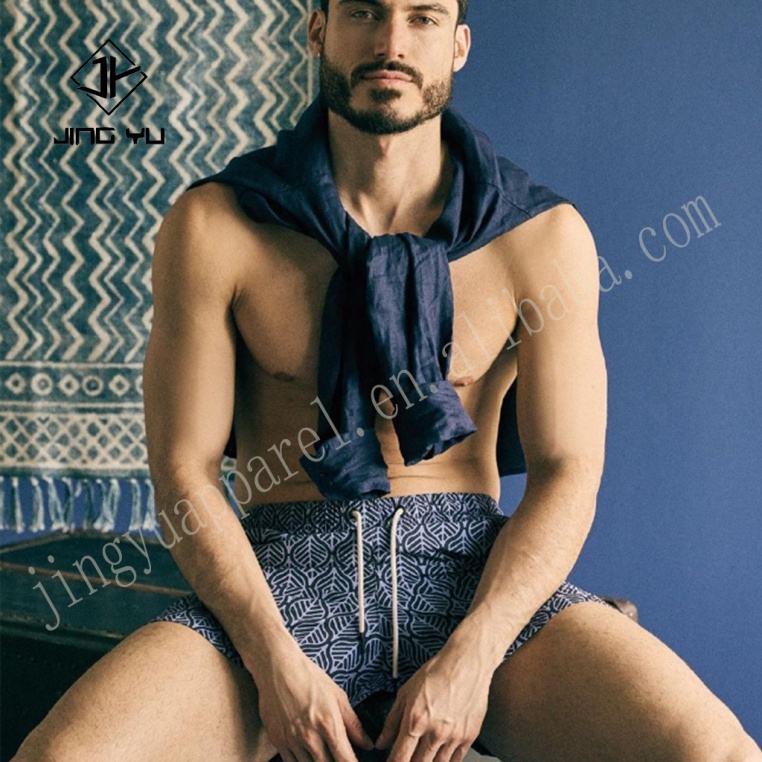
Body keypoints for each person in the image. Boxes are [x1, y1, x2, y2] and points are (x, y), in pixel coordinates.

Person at [14, 1, 760, 760]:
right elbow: (184, 472)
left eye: (423, 17)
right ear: (318, 31)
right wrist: (272, 660)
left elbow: (569, 471)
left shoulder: (539, 236)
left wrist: (475, 655)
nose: (391, 41)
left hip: (471, 573)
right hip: (280, 575)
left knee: (721, 755)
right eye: (365, 12)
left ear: (459, 45)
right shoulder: (216, 224)